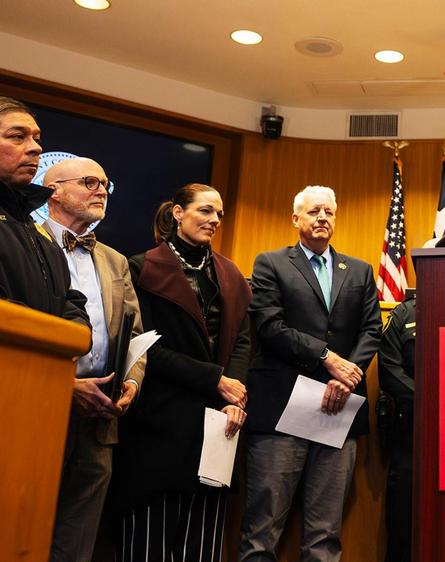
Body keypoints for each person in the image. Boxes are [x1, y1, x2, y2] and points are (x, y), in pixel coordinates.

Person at [239, 185, 383, 561]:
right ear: (295, 218)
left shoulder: (360, 270)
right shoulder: (270, 263)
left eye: (328, 212)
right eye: (314, 211)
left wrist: (346, 376)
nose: (322, 218)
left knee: (325, 535)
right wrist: (326, 357)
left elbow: (372, 330)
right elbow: (269, 326)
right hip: (281, 409)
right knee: (261, 531)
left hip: (339, 409)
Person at [113, 183, 251, 562]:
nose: (214, 219)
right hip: (159, 419)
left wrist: (234, 395)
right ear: (178, 213)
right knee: (148, 544)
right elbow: (144, 346)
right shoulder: (141, 267)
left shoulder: (230, 274)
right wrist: (215, 379)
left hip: (218, 422)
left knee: (203, 546)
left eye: (219, 213)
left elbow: (242, 340)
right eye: (205, 210)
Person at [42, 157, 146, 562]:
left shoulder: (115, 260)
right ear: (54, 190)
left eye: (105, 183)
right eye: (89, 182)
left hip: (101, 419)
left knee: (77, 542)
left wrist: (131, 383)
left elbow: (135, 334)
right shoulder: (26, 243)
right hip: (40, 408)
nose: (101, 190)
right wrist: (65, 386)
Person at [0, 96, 88, 325]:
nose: (36, 147)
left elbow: (70, 301)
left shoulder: (36, 231)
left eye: (36, 139)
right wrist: (51, 333)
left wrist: (76, 331)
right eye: (17, 136)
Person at [377, 296, 417, 562]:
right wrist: (430, 400)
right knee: (403, 519)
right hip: (413, 431)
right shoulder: (406, 313)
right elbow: (388, 367)